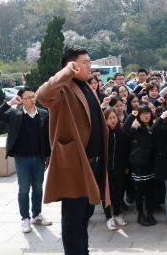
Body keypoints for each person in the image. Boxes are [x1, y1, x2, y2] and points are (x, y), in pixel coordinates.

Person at [35, 45, 109, 255]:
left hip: (94, 162)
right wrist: (67, 72)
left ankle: (82, 251)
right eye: (84, 63)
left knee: (85, 215)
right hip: (75, 164)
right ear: (72, 65)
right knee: (73, 219)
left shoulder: (87, 87)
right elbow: (42, 95)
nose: (89, 66)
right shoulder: (63, 88)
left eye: (89, 62)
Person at [0, 86, 51, 233]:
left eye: (33, 96)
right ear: (21, 100)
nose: (32, 99)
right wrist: (10, 103)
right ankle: (25, 219)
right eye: (28, 97)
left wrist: (48, 156)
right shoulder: (14, 114)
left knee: (38, 188)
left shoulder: (43, 114)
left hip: (39, 158)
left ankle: (36, 215)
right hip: (22, 158)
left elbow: (47, 137)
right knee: (24, 189)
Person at [122, 106, 157, 227]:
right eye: (142, 113)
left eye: (148, 113)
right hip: (139, 163)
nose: (146, 115)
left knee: (150, 191)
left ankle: (150, 213)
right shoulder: (136, 127)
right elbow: (125, 131)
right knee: (140, 191)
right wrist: (132, 115)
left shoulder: (153, 126)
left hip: (151, 163)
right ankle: (140, 215)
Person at [102, 107, 129, 231]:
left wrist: (127, 166)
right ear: (105, 120)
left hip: (119, 167)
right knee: (107, 193)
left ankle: (117, 215)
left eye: (114, 117)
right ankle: (109, 217)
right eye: (109, 118)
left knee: (118, 192)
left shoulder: (122, 131)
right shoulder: (103, 133)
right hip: (106, 168)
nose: (113, 120)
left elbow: (126, 150)